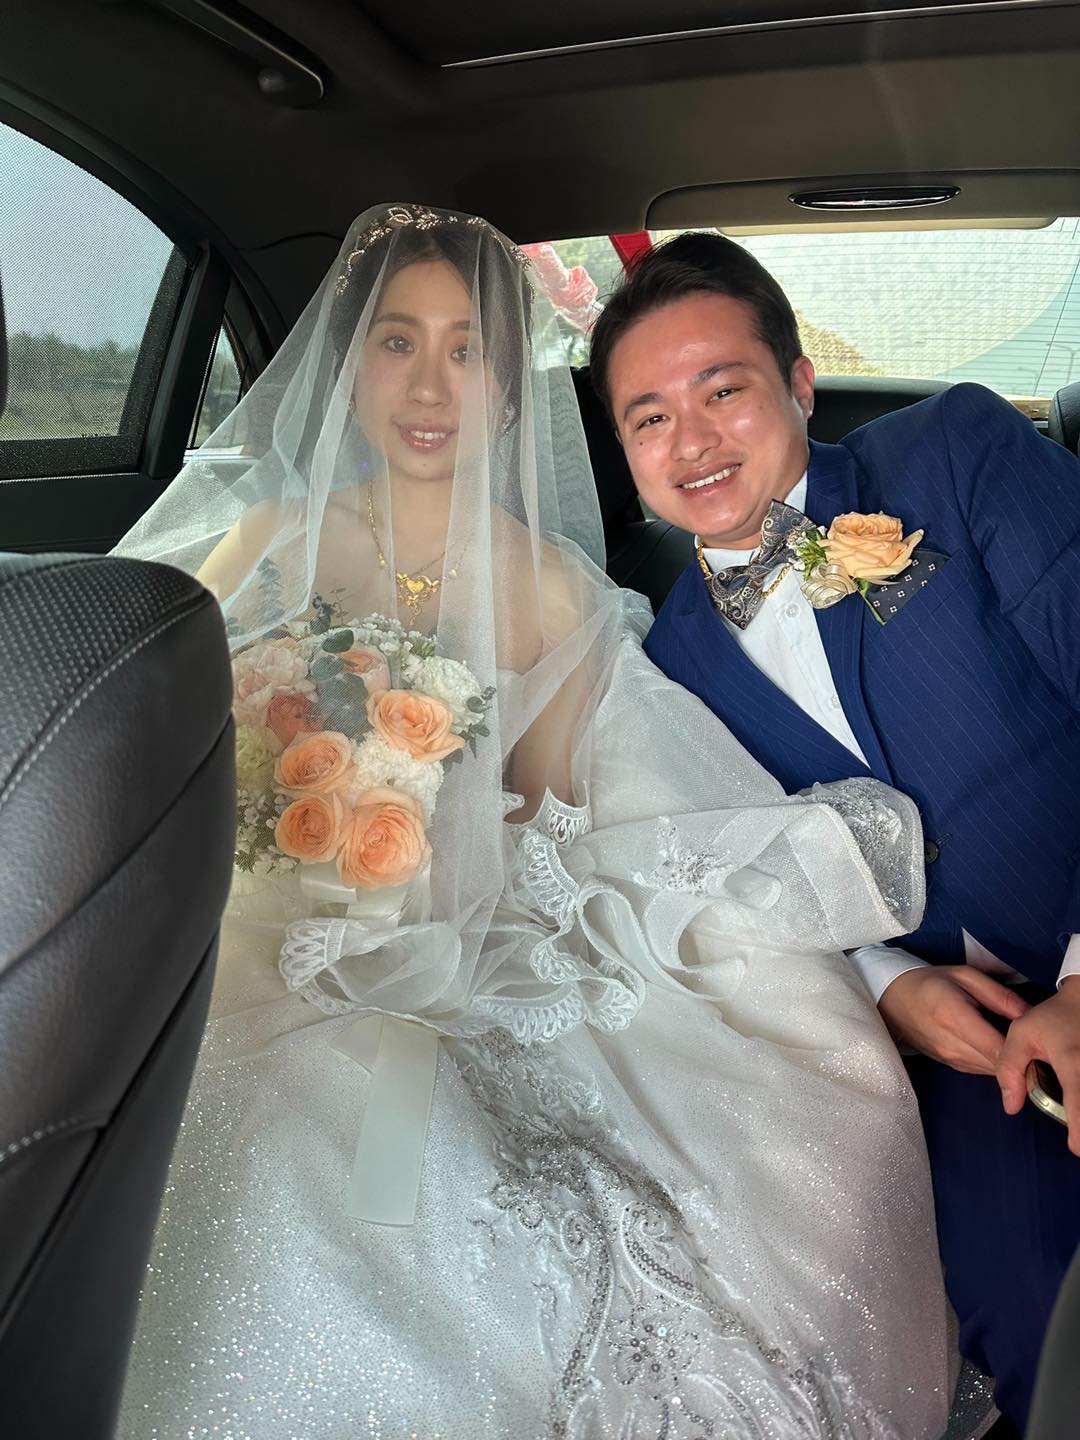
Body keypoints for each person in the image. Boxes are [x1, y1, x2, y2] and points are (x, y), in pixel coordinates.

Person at [112, 204, 957, 1439]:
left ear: (511, 391)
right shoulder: (264, 546)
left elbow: (546, 825)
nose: (429, 385)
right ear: (350, 370)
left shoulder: (557, 589)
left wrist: (427, 843)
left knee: (406, 1161)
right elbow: (141, 750)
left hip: (458, 946)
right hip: (242, 939)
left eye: (467, 351)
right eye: (398, 342)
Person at [588, 228, 1080, 1428]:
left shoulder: (954, 452)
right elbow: (730, 890)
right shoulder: (663, 668)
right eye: (649, 417)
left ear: (800, 383)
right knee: (1030, 1311)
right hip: (960, 1055)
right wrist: (883, 987)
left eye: (722, 390)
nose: (691, 441)